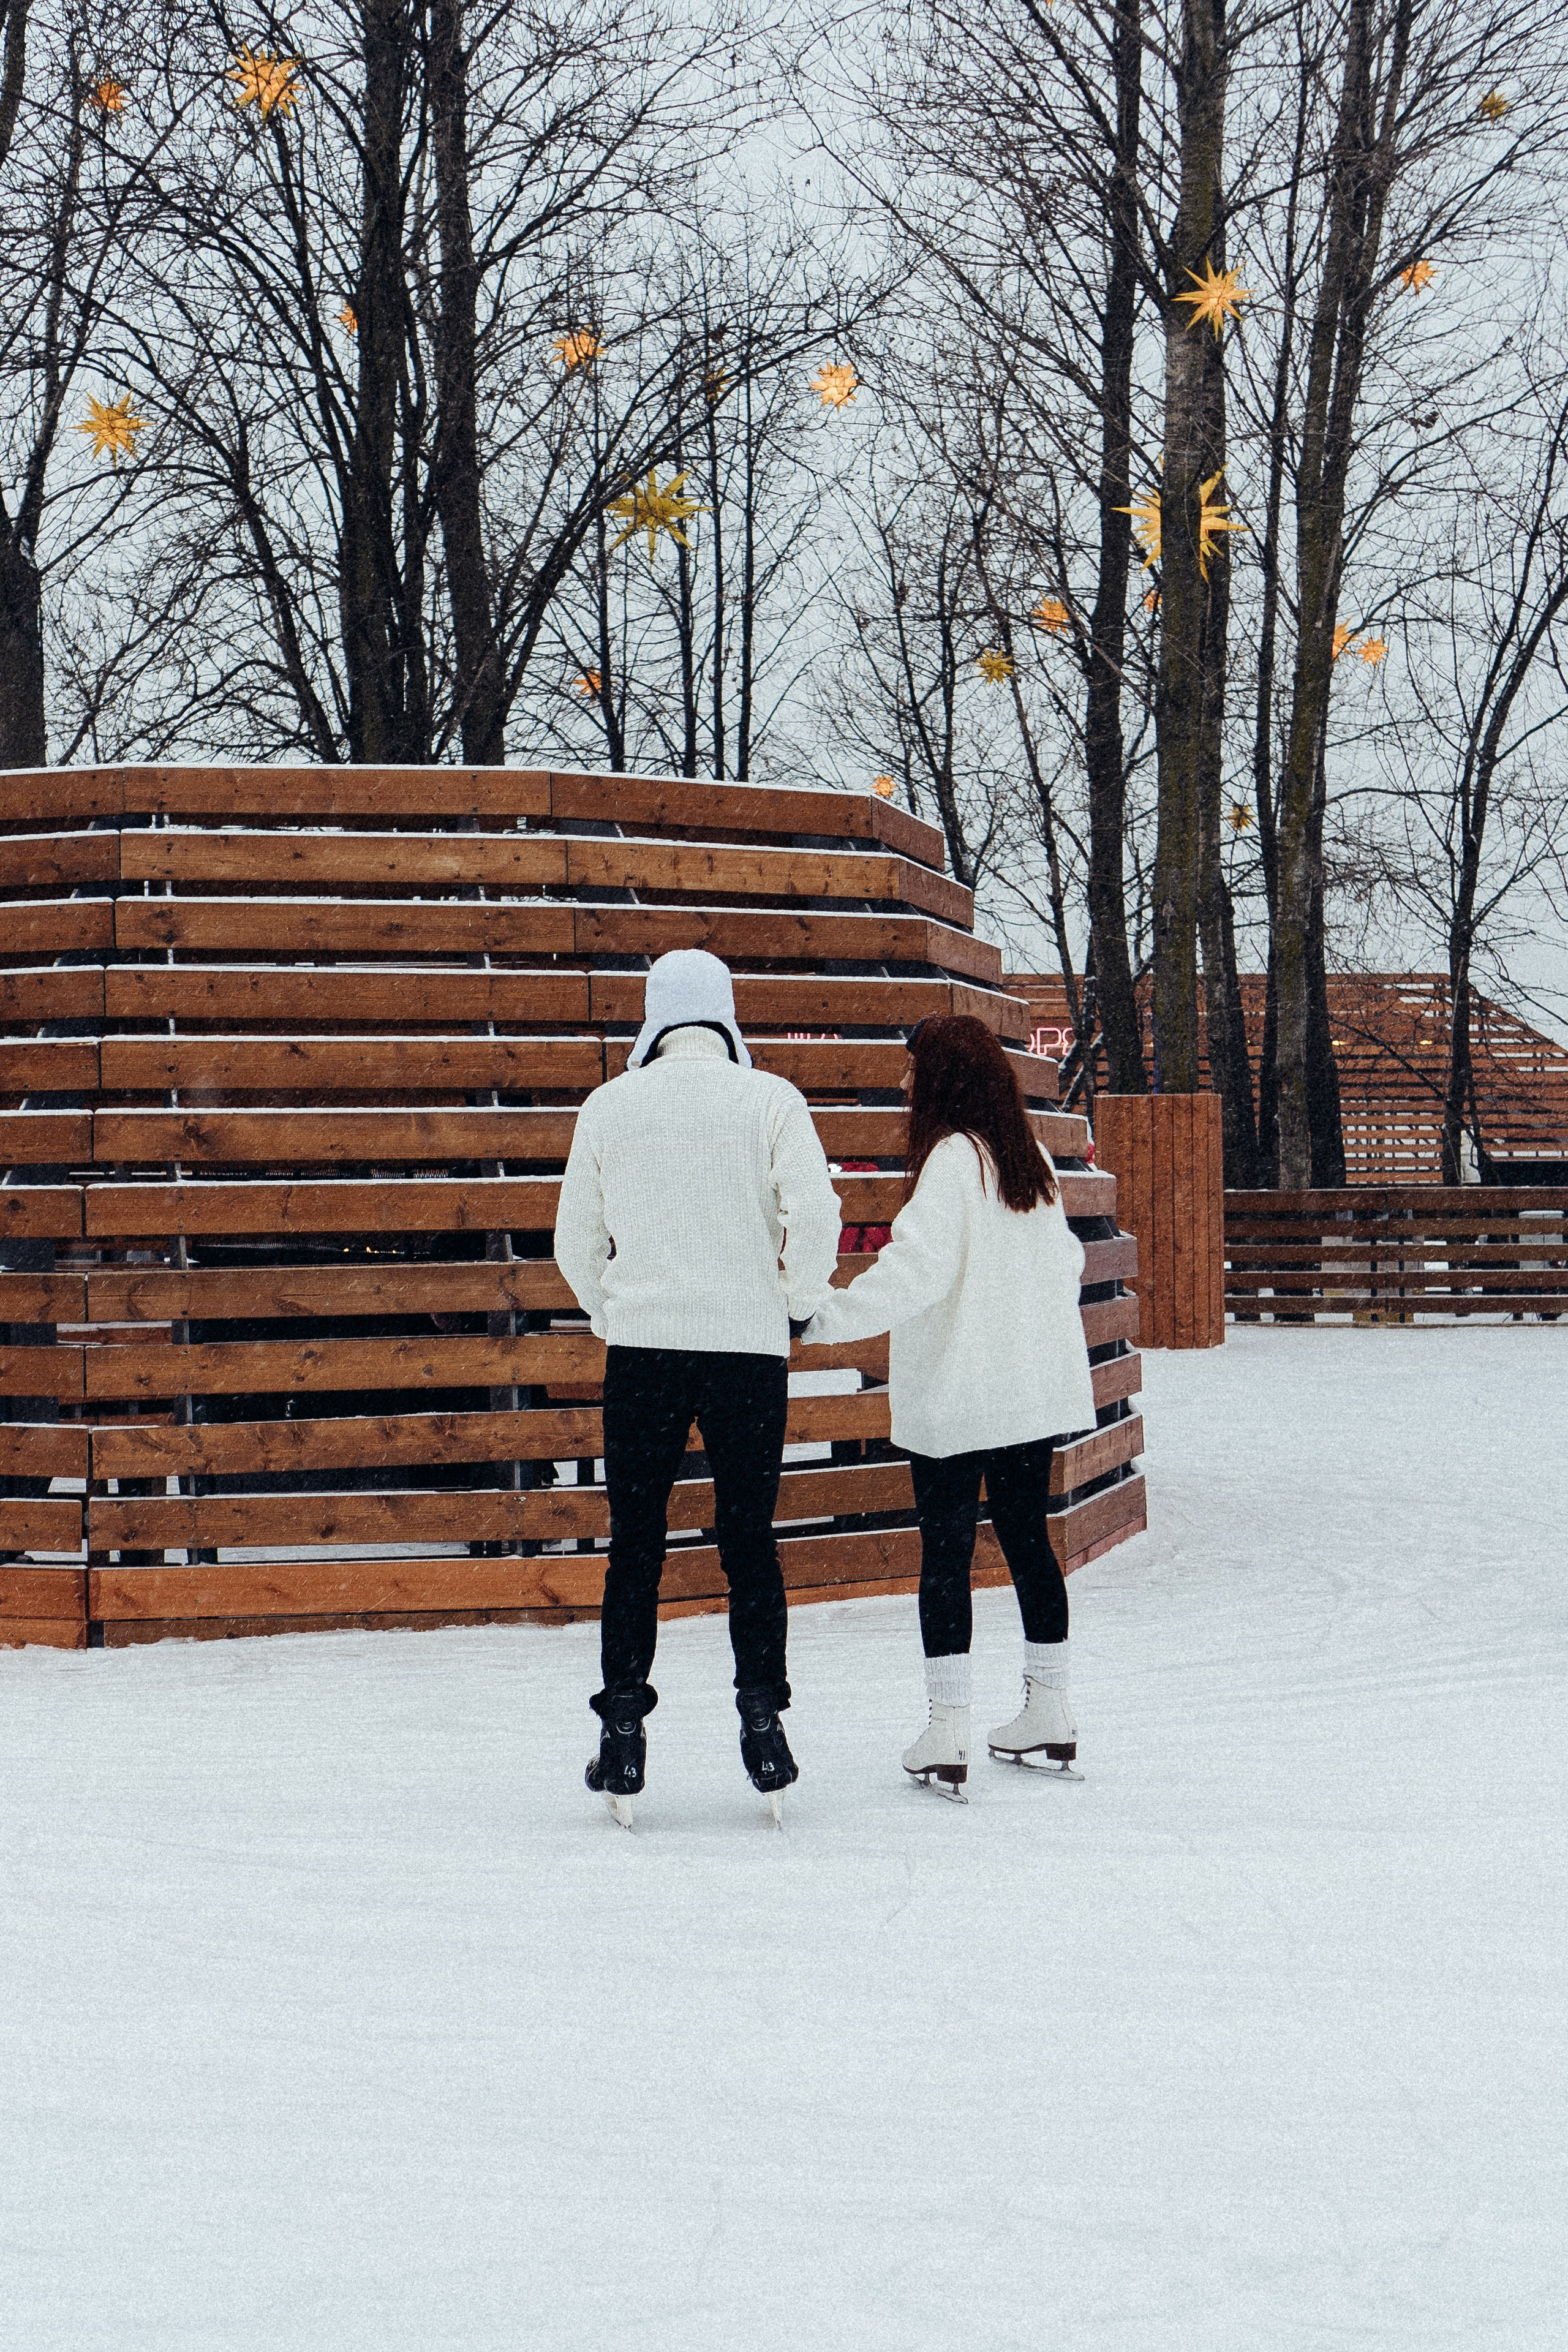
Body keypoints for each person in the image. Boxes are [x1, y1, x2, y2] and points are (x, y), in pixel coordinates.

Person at [554, 949, 842, 1825]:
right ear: (724, 1013)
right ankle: (763, 1723)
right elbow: (817, 1214)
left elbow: (573, 1239)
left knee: (635, 1546)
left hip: (644, 1350)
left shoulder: (609, 1106)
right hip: (746, 1352)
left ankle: (623, 1734)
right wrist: (792, 1304)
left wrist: (610, 1313)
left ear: (653, 1014)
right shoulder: (771, 1100)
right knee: (748, 1542)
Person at [802, 1014, 1096, 1795]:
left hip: (962, 1397)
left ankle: (948, 1727)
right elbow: (1065, 1262)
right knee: (1029, 1543)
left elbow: (914, 1274)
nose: (904, 1085)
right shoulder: (1028, 1158)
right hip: (1028, 1394)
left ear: (941, 1079)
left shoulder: (950, 1160)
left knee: (947, 1555)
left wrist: (824, 1317)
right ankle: (1050, 1708)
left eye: (913, 1071)